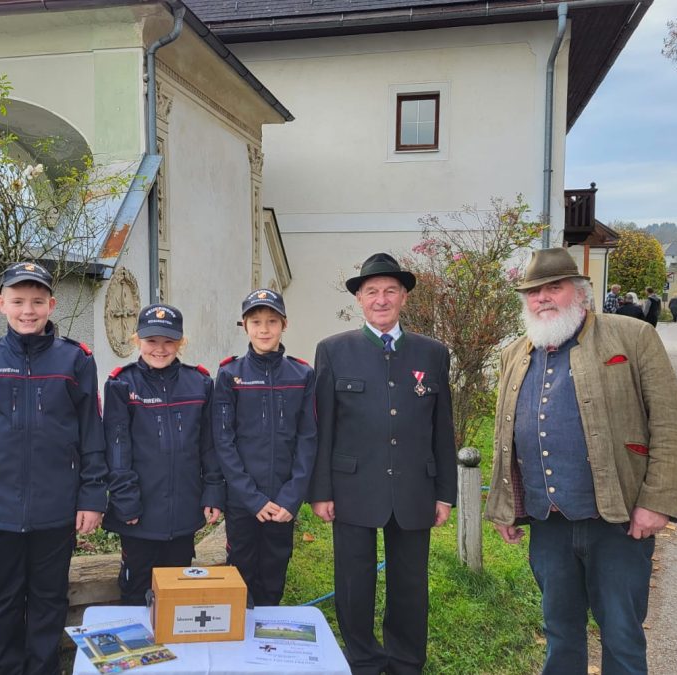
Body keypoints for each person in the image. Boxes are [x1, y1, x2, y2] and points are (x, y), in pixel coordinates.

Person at [485, 248, 677, 675]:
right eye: (533, 292)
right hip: (550, 524)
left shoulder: (632, 337)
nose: (542, 298)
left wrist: (656, 501)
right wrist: (504, 504)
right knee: (560, 633)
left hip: (617, 521)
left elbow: (674, 423)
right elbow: (505, 436)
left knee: (621, 635)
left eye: (553, 288)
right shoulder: (514, 353)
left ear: (579, 293)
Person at [0, 261, 107, 673]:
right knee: (5, 601)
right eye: (18, 301)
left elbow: (92, 435)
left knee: (50, 600)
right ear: (1, 304)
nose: (27, 310)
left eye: (37, 301)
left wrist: (92, 497)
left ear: (51, 304)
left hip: (56, 508)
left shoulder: (75, 360)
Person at [310, 252, 457, 675]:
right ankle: (364, 659)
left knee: (409, 583)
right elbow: (325, 427)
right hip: (352, 484)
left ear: (404, 298)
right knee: (354, 582)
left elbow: (441, 428)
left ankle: (406, 660)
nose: (381, 299)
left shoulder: (432, 353)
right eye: (371, 291)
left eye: (390, 290)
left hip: (415, 485)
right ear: (359, 299)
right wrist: (321, 491)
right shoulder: (334, 351)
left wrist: (445, 492)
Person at [102, 303, 225, 605]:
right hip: (139, 513)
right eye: (152, 341)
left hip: (184, 509)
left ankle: (175, 650)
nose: (160, 349)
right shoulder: (122, 384)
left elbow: (208, 446)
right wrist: (126, 501)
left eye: (169, 341)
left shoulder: (199, 384)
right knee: (135, 590)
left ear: (181, 342)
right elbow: (117, 449)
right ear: (137, 341)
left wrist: (213, 492)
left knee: (177, 591)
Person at [213, 289, 316, 606]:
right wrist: (252, 498)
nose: (264, 329)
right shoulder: (230, 374)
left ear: (284, 324)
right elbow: (223, 441)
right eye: (256, 321)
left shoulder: (302, 374)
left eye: (272, 321)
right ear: (244, 326)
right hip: (244, 501)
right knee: (240, 575)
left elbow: (308, 438)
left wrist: (291, 496)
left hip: (283, 501)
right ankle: (239, 642)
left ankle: (267, 645)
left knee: (273, 574)